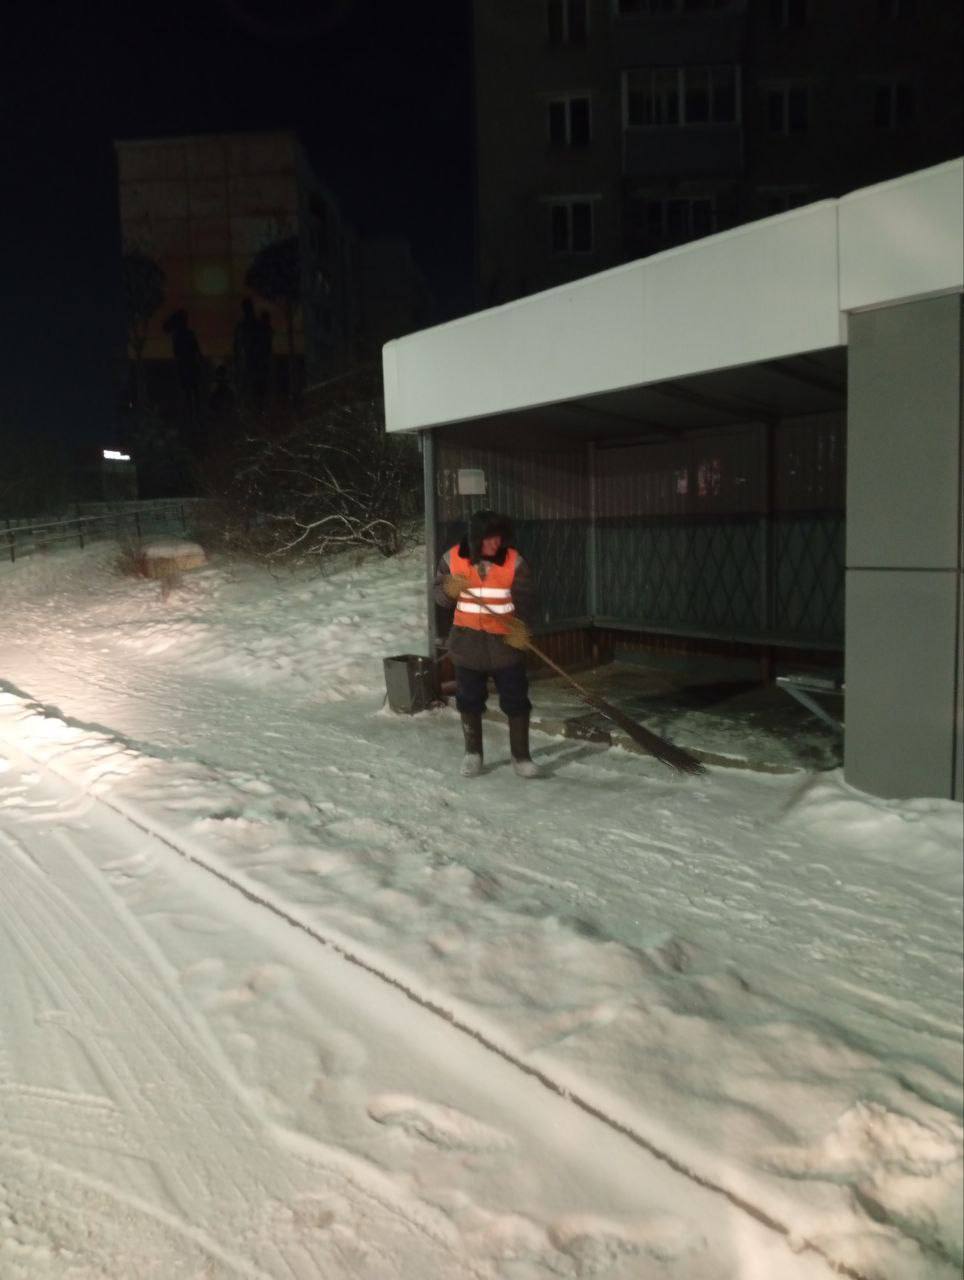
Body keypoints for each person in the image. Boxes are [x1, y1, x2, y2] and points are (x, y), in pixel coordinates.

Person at [434, 510, 539, 779]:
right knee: (469, 700)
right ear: (476, 538)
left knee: (516, 700)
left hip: (505, 646)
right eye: (490, 538)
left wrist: (522, 629)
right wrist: (447, 591)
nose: (496, 543)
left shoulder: (514, 562)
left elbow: (527, 602)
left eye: (499, 538)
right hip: (467, 645)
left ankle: (521, 757)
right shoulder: (451, 559)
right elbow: (438, 597)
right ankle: (473, 754)